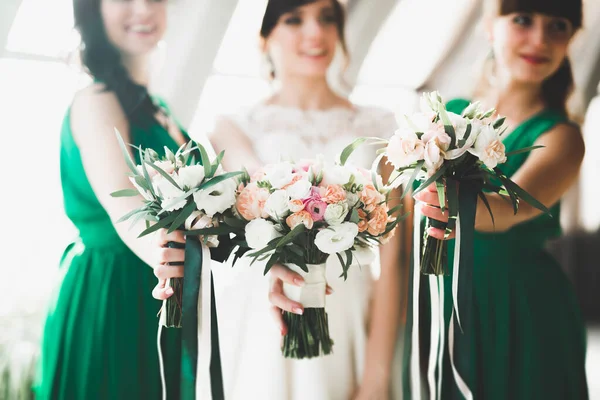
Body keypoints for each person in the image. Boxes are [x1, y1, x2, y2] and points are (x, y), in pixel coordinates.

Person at [208, 0, 403, 398]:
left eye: (326, 19)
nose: (314, 32)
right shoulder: (232, 127)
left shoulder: (382, 127)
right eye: (294, 19)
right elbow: (257, 193)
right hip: (263, 317)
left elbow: (396, 254)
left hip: (351, 314)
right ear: (265, 38)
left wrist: (377, 376)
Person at [407, 0, 589, 398]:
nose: (539, 39)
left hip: (515, 306)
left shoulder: (562, 136)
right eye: (523, 20)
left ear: (572, 38)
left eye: (557, 26)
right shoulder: (448, 115)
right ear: (490, 26)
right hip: (437, 296)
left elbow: (505, 211)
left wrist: (448, 198)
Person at [35, 0, 189, 398]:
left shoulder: (158, 106)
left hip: (163, 286)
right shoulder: (96, 100)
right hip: (115, 293)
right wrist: (172, 260)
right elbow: (130, 214)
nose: (143, 8)